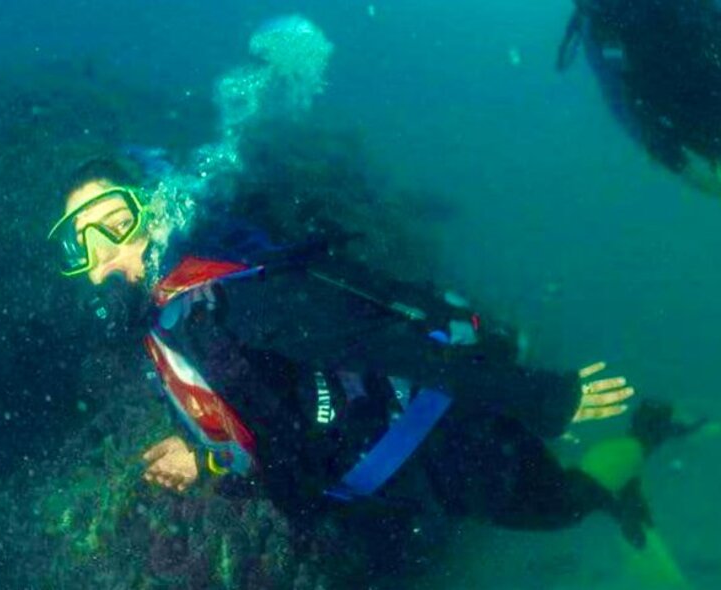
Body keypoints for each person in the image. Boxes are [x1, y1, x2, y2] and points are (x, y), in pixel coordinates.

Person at [46, 155, 695, 552]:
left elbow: (382, 343)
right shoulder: (166, 316)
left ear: (151, 214)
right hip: (388, 477)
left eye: (114, 222)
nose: (103, 253)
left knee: (561, 507)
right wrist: (202, 457)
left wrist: (541, 397)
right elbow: (257, 407)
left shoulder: (229, 298)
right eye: (82, 244)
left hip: (440, 439)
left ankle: (643, 440)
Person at [558, 0, 721, 197]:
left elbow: (618, 99)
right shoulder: (602, 22)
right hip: (691, 119)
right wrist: (682, 168)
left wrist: (681, 167)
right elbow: (618, 97)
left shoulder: (601, 22)